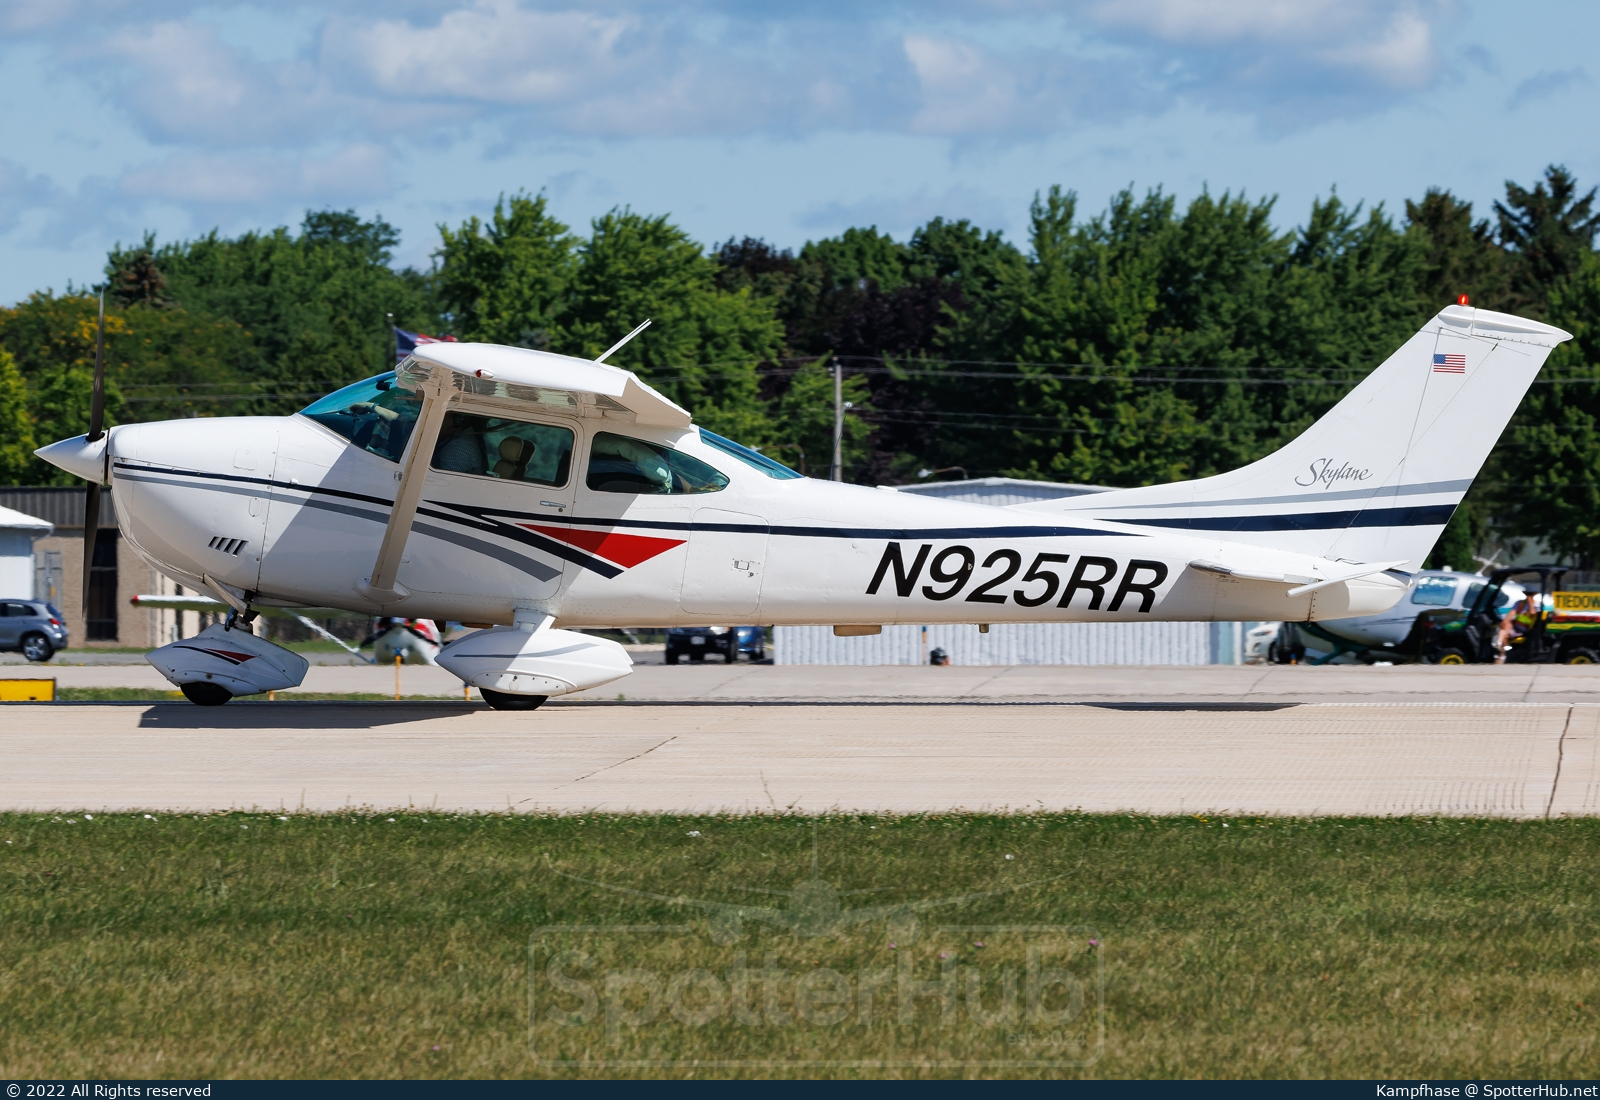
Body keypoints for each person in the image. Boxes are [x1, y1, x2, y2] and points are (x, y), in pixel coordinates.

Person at [1493, 592, 1539, 663]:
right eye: (1527, 595)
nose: (1528, 597)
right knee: (1505, 631)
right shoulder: (1519, 603)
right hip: (1514, 627)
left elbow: (1533, 612)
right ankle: (1499, 645)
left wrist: (1530, 601)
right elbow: (1512, 612)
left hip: (1525, 629)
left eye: (1530, 595)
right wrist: (1505, 621)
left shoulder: (1536, 605)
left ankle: (1502, 654)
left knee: (1506, 632)